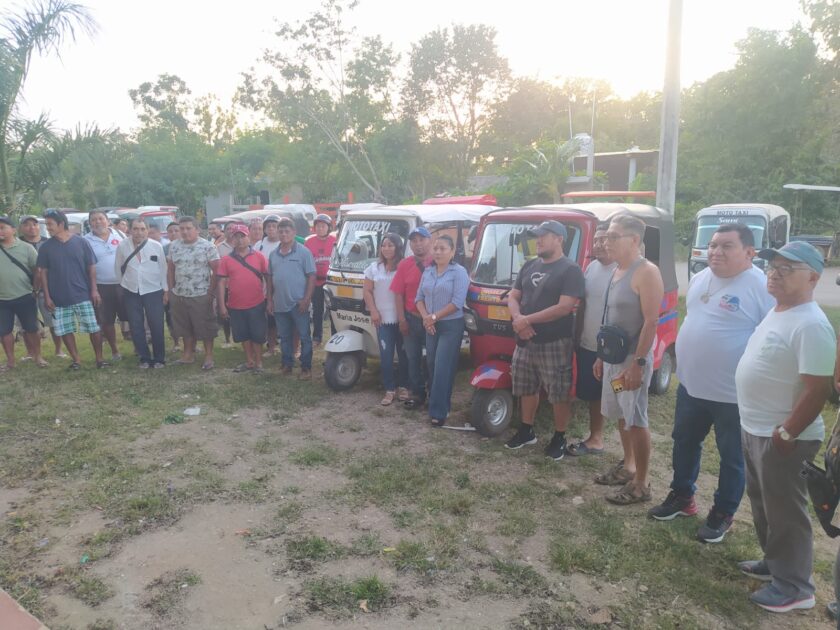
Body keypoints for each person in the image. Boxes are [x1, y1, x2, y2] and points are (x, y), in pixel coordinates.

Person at [648, 224, 775, 542]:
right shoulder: (701, 277)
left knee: (732, 457)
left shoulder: (760, 286)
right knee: (684, 442)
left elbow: (771, 340)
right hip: (691, 386)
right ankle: (682, 497)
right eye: (713, 245)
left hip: (733, 395)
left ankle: (723, 513)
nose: (716, 251)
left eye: (727, 246)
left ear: (750, 252)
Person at [734, 241, 835, 613]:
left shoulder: (811, 324)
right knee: (764, 503)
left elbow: (817, 389)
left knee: (786, 512)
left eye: (786, 268)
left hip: (786, 438)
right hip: (756, 429)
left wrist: (788, 432)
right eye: (772, 266)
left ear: (813, 278)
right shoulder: (780, 311)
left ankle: (795, 588)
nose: (774, 274)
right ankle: (775, 564)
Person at [593, 214, 664, 504]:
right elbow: (610, 317)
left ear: (634, 240)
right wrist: (602, 357)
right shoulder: (616, 270)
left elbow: (651, 321)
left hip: (632, 363)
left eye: (613, 236)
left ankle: (641, 483)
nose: (606, 242)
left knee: (636, 418)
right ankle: (629, 465)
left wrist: (638, 364)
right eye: (606, 236)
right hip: (614, 362)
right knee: (623, 414)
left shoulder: (646, 272)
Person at [503, 221, 585, 459]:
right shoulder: (529, 265)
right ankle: (526, 430)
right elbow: (513, 296)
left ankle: (559, 436)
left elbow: (564, 307)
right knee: (526, 387)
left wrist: (525, 320)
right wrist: (519, 319)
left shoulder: (571, 270)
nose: (538, 240)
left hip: (554, 341)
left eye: (544, 236)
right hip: (525, 340)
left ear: (559, 239)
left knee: (558, 392)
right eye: (537, 236)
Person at [36, 209, 107, 369]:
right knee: (65, 330)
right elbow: (43, 273)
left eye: (50, 224)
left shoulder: (81, 242)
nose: (47, 227)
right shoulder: (45, 247)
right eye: (46, 224)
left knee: (93, 328)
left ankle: (99, 359)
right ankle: (76, 361)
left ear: (61, 224)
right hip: (58, 298)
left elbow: (91, 267)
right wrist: (47, 296)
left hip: (83, 294)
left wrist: (94, 290)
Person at [568, 223, 614, 457]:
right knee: (593, 393)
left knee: (616, 393)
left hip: (613, 350)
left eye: (604, 239)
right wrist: (577, 336)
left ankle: (628, 454)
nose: (598, 244)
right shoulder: (591, 268)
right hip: (588, 343)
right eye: (595, 240)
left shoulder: (623, 270)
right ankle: (596, 437)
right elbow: (583, 304)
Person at [414, 235, 469, 427]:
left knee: (442, 366)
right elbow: (418, 298)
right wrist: (426, 318)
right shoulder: (428, 271)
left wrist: (434, 317)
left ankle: (438, 411)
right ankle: (439, 402)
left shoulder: (459, 272)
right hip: (430, 325)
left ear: (452, 252)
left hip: (450, 326)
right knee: (431, 365)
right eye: (435, 248)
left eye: (442, 248)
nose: (437, 252)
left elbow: (457, 302)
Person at [167, 216, 220, 370]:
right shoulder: (174, 246)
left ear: (197, 230)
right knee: (184, 326)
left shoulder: (208, 246)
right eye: (182, 229)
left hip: (201, 294)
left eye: (188, 228)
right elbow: (171, 269)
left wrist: (211, 293)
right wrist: (171, 290)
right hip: (180, 294)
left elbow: (216, 271)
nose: (184, 232)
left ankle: (208, 355)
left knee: (205, 327)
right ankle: (188, 354)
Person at [115, 218, 168, 369]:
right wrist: (123, 284)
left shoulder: (156, 246)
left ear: (147, 230)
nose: (139, 232)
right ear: (130, 230)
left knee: (156, 324)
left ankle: (159, 358)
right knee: (136, 325)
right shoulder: (122, 246)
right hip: (131, 290)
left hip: (153, 290)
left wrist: (165, 290)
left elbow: (163, 269)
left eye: (142, 229)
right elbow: (118, 267)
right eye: (136, 229)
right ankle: (144, 358)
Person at [364, 233, 410, 405]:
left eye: (390, 245)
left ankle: (404, 386)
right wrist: (373, 311)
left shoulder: (404, 266)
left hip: (402, 318)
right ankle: (389, 389)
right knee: (386, 356)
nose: (386, 248)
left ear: (398, 247)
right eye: (384, 245)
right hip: (382, 319)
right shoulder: (373, 268)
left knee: (405, 355)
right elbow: (367, 291)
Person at [266, 218, 315, 378]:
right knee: (285, 337)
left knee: (304, 336)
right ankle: (287, 364)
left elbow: (311, 276)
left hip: (299, 303)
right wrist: (269, 300)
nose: (284, 234)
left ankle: (306, 368)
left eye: (287, 231)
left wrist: (306, 299)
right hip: (280, 303)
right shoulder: (273, 255)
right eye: (281, 231)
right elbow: (269, 278)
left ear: (294, 233)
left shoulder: (304, 252)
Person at [217, 224, 269, 373]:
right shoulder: (226, 260)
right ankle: (249, 361)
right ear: (232, 239)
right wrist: (222, 305)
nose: (239, 240)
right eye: (236, 237)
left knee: (257, 335)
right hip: (235, 305)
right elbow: (221, 283)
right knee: (243, 335)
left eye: (242, 236)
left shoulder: (259, 257)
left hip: (256, 303)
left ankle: (259, 362)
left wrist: (269, 298)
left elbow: (268, 278)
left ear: (248, 238)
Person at [391, 226, 433, 409]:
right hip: (411, 318)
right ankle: (417, 393)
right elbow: (398, 293)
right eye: (414, 241)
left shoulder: (439, 262)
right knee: (412, 358)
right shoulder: (404, 264)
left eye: (421, 240)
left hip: (433, 320)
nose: (418, 244)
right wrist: (402, 320)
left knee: (433, 359)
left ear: (430, 241)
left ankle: (434, 394)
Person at [0, 215, 44, 370]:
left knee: (31, 328)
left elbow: (37, 270)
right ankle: (10, 361)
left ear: (13, 230)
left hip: (25, 295)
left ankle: (38, 357)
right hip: (2, 300)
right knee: (4, 331)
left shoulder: (26, 248)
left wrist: (35, 289)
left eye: (2, 228)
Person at [18, 214, 65, 358]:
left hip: (47, 289)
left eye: (35, 224)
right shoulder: (17, 244)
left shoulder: (50, 242)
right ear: (21, 228)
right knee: (26, 324)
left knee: (54, 321)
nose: (31, 227)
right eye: (27, 225)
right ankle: (31, 352)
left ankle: (59, 350)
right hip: (24, 290)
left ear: (39, 226)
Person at [84, 210, 126, 362]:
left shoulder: (120, 235)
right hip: (101, 286)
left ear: (108, 221)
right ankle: (115, 350)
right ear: (90, 223)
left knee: (131, 317)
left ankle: (138, 348)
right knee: (106, 320)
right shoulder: (85, 241)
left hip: (124, 284)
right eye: (94, 220)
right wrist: (93, 289)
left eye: (101, 218)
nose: (98, 222)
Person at [305, 214, 337, 346]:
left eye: (323, 226)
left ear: (329, 227)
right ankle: (317, 337)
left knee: (334, 310)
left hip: (330, 281)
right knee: (317, 310)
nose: (320, 228)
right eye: (318, 226)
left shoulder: (335, 240)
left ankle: (335, 336)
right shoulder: (309, 241)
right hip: (316, 281)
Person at [257, 215, 281, 356]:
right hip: (263, 288)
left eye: (274, 226)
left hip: (281, 288)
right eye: (268, 226)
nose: (271, 229)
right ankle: (271, 347)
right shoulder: (259, 245)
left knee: (283, 319)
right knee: (269, 320)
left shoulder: (284, 243)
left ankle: (292, 347)